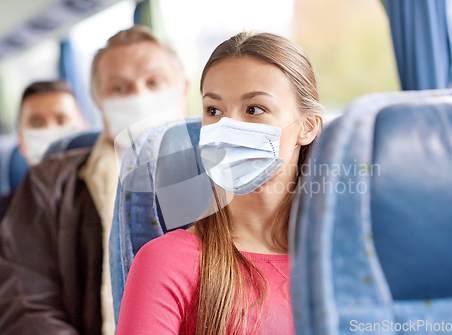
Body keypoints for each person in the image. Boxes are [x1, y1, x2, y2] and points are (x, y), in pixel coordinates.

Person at [116, 32, 323, 335]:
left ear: (307, 127)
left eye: (254, 109)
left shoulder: (339, 258)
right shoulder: (165, 262)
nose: (227, 128)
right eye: (214, 111)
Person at [0, 25, 188, 335]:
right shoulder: (51, 183)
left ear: (183, 89)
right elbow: (24, 302)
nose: (139, 96)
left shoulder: (223, 179)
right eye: (119, 88)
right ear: (97, 99)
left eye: (154, 82)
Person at [0, 80, 84, 331]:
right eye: (37, 123)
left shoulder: (115, 202)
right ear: (21, 141)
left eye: (62, 119)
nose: (51, 131)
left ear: (83, 129)